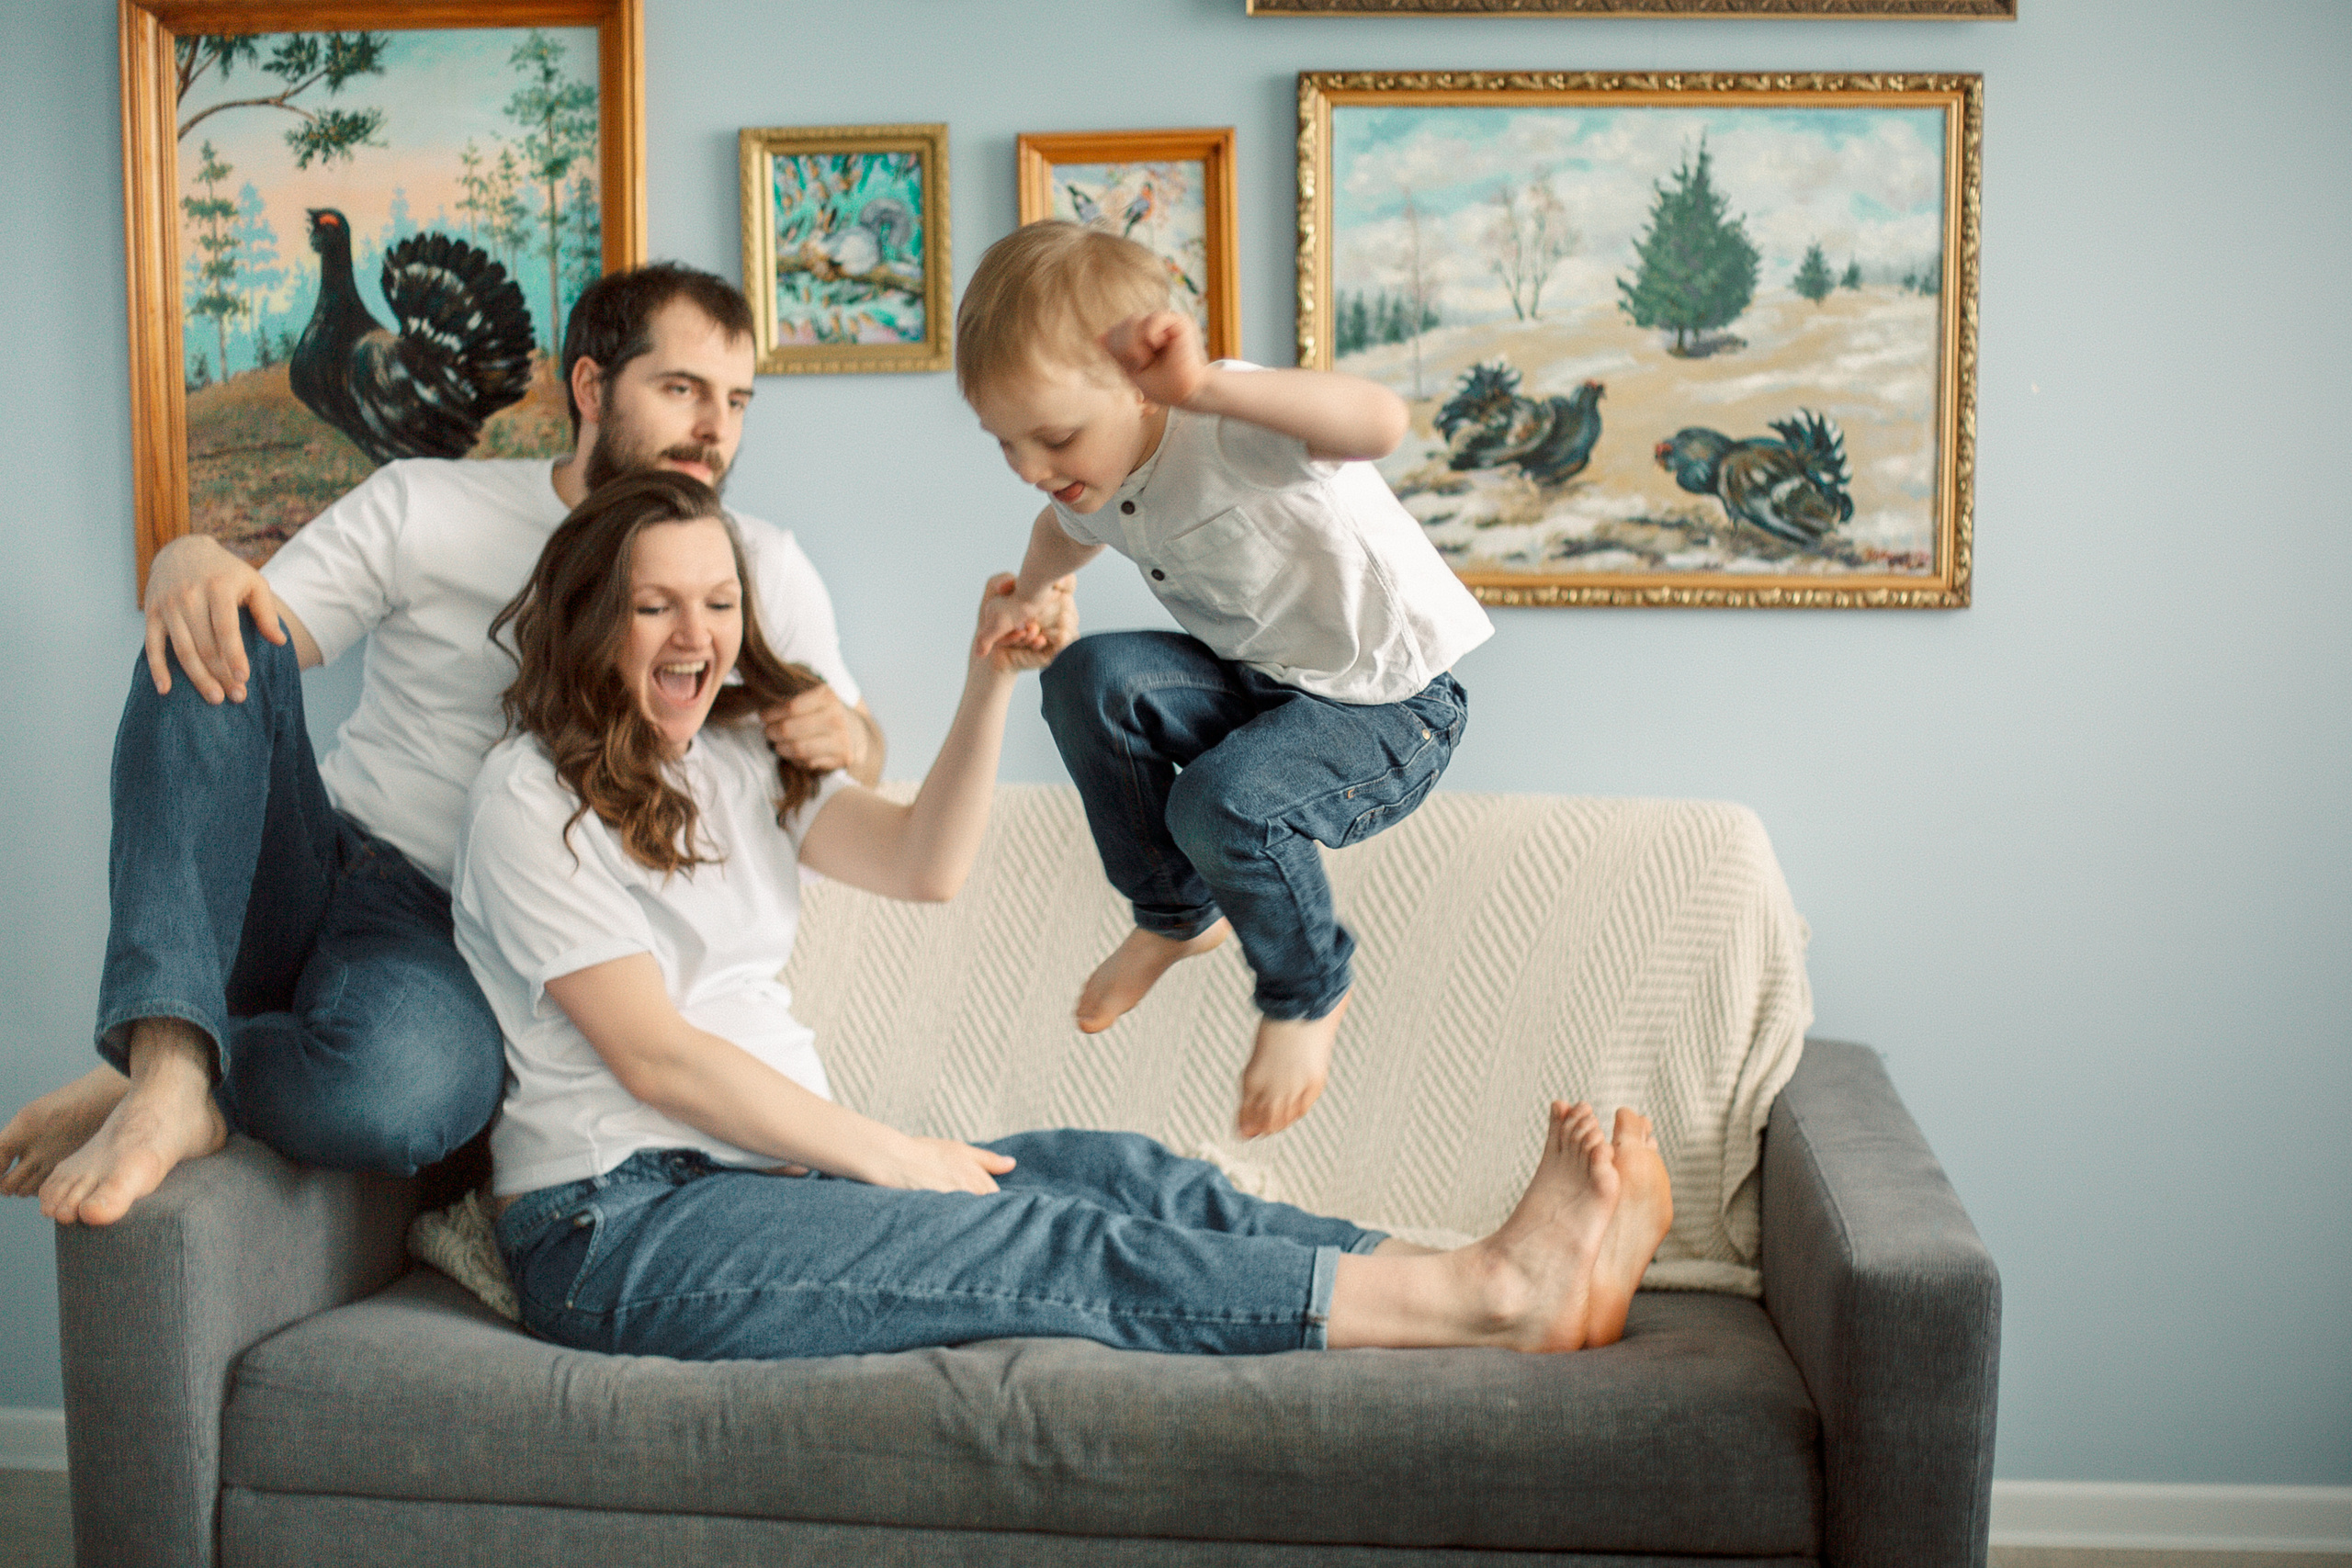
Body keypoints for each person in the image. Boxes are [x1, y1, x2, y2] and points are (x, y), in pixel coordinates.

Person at [460, 468, 1673, 1360]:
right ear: (587, 618)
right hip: (620, 1218)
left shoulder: (728, 754)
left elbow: (923, 859)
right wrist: (890, 1150)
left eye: (719, 602)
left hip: (784, 1171)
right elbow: (655, 1052)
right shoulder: (528, 793)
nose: (699, 637)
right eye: (656, 607)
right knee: (1046, 1239)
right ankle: (1497, 1298)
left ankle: (1487, 1269)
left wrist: (993, 674)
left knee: (1116, 1171)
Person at [0, 263, 886, 1227]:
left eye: (737, 402)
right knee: (212, 637)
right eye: (681, 391)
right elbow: (248, 638)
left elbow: (856, 759)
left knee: (402, 1100)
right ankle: (167, 1065)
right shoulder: (425, 503)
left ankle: (204, 1069)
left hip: (440, 932)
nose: (715, 430)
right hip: (314, 862)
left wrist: (851, 735)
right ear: (590, 389)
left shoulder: (750, 565)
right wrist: (189, 558)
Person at [959, 222, 1496, 1140]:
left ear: (1140, 386)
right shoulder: (1095, 484)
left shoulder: (1229, 425)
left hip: (1390, 710)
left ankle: (1306, 992)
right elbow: (1062, 537)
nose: (1031, 470)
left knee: (1221, 802)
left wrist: (1207, 384)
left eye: (1050, 438)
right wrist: (1037, 594)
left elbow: (1379, 422)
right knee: (1088, 678)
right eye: (1004, 445)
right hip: (1261, 690)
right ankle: (1174, 915)